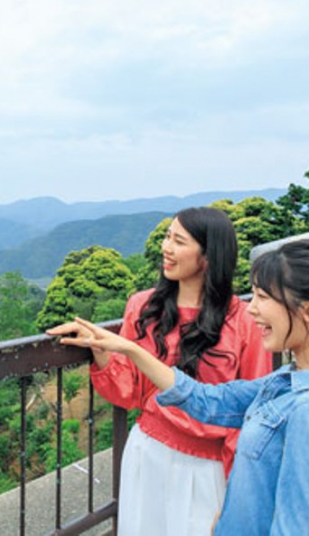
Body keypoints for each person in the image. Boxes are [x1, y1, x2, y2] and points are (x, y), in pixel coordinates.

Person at [53, 238, 309, 536]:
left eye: (264, 297)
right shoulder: (289, 383)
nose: (251, 308)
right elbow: (208, 400)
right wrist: (126, 347)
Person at [47, 206, 271, 535]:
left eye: (179, 241)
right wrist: (99, 346)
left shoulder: (243, 319)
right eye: (167, 236)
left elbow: (251, 410)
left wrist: (238, 493)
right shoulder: (143, 306)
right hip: (148, 452)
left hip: (210, 467)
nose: (166, 248)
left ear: (208, 256)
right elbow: (128, 391)